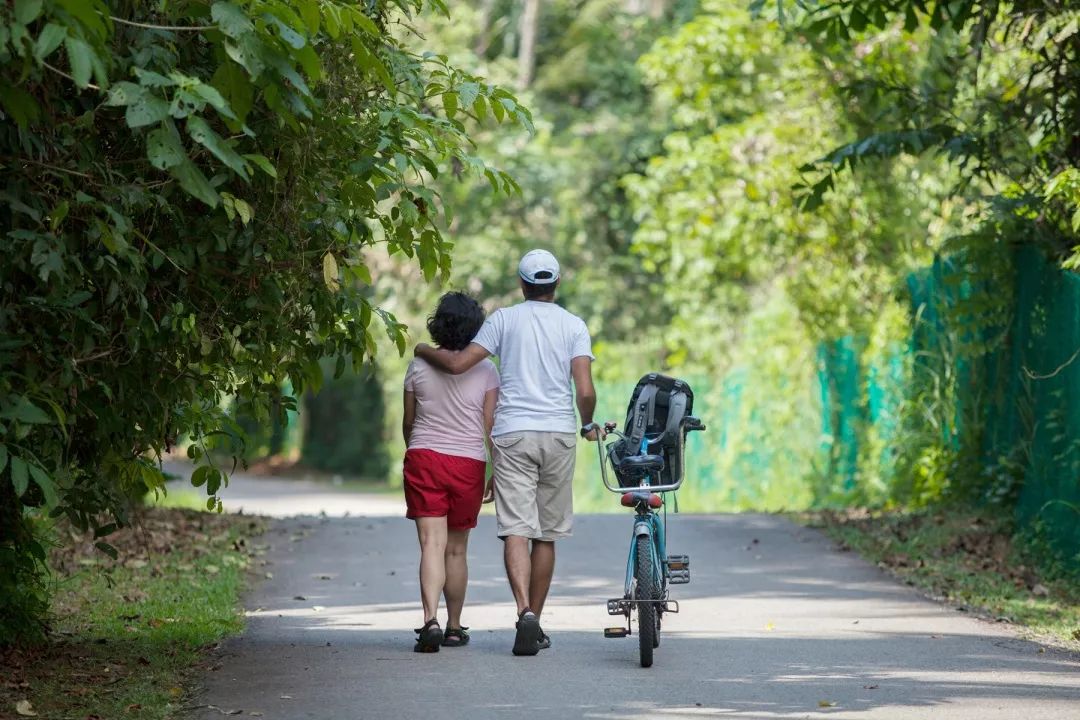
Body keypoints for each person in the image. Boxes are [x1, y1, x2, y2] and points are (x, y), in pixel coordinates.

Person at [414, 249, 604, 657]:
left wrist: (421, 350)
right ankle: (535, 615)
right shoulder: (574, 325)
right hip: (558, 434)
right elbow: (585, 391)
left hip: (513, 433)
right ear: (556, 284)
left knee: (517, 527)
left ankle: (523, 612)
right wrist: (587, 423)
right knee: (547, 534)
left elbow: (461, 363)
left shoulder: (503, 320)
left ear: (522, 284)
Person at [403, 292, 500, 653]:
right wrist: (496, 469)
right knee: (456, 551)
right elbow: (490, 428)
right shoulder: (488, 371)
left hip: (425, 456)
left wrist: (414, 451)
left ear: (437, 324)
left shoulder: (418, 366)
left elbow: (408, 422)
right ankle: (455, 628)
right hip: (468, 464)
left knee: (431, 544)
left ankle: (429, 620)